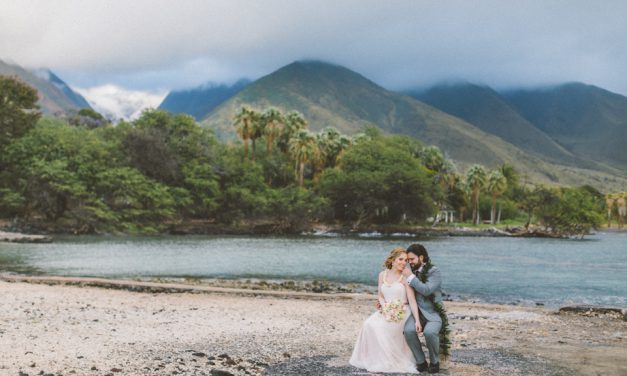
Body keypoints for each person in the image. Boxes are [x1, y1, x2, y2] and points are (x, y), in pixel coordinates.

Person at [350, 248, 421, 373]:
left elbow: (412, 300)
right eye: (400, 259)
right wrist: (384, 306)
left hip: (402, 311)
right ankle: (375, 359)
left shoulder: (406, 277)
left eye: (406, 260)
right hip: (386, 309)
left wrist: (417, 321)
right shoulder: (382, 275)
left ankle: (388, 361)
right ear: (393, 260)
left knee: (381, 328)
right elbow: (380, 295)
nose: (404, 263)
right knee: (368, 324)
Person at [402, 243, 443, 374]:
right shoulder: (410, 271)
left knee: (430, 333)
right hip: (416, 314)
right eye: (408, 260)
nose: (409, 262)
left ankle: (435, 362)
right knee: (408, 331)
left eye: (412, 259)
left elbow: (426, 290)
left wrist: (410, 277)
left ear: (421, 257)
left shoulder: (434, 271)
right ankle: (421, 361)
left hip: (433, 314)